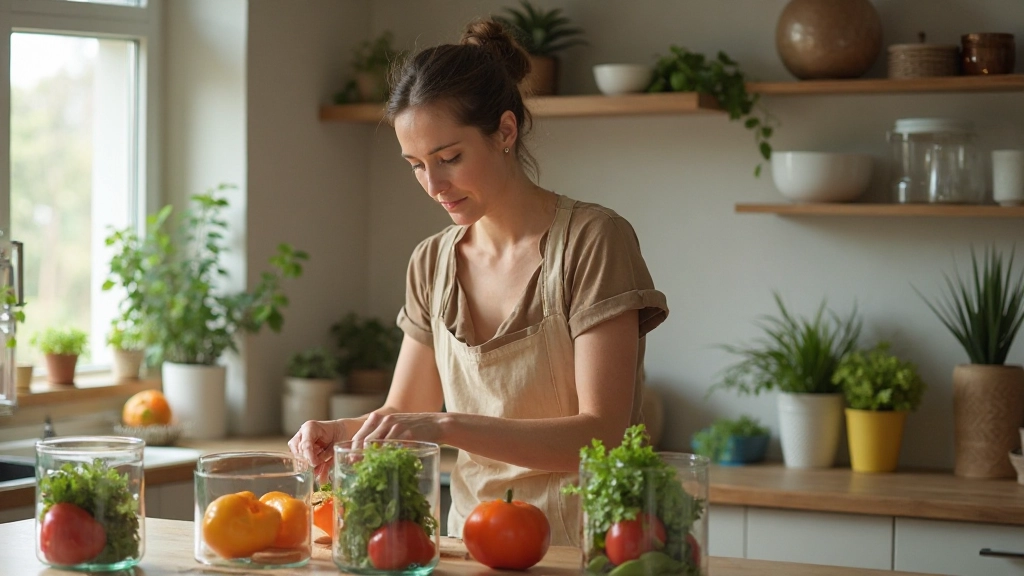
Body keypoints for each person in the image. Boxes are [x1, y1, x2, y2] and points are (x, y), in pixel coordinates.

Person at [289, 19, 668, 546]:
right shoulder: (431, 263)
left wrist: (445, 426)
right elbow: (405, 412)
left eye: (449, 159)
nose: (433, 185)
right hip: (472, 543)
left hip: (592, 547)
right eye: (416, 166)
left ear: (505, 132)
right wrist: (342, 434)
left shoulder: (593, 240)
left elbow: (600, 434)